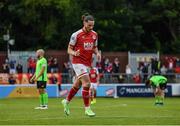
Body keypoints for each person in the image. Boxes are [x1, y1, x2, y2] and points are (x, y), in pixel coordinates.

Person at [61, 13, 101, 117]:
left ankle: (66, 101)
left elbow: (94, 47)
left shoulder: (94, 35)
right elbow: (69, 49)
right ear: (84, 23)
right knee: (87, 84)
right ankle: (87, 109)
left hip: (87, 63)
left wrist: (97, 53)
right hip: (78, 62)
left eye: (92, 25)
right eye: (89, 25)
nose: (91, 27)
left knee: (77, 85)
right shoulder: (76, 35)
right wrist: (74, 53)